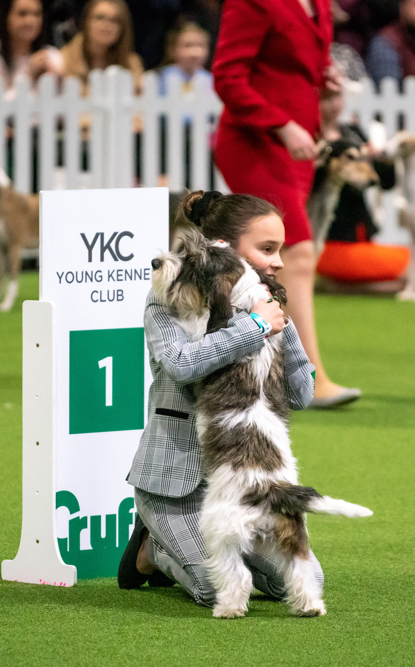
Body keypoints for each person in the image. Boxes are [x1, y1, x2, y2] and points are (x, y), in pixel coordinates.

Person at [118, 190, 321, 608]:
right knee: (213, 589)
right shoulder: (166, 301)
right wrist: (254, 328)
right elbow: (182, 365)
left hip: (246, 486)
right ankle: (153, 549)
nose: (279, 261)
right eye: (267, 249)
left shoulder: (265, 307)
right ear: (224, 248)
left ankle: (228, 550)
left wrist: (283, 327)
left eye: (279, 249)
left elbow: (301, 396)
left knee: (298, 581)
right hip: (178, 487)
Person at [213, 0, 361, 408]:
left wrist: (323, 89)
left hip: (297, 146)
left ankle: (262, 371)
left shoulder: (321, 7)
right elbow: (227, 78)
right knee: (295, 251)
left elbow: (297, 70)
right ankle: (308, 378)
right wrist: (281, 122)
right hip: (256, 142)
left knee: (270, 259)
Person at [316, 85, 415, 293]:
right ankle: (342, 285)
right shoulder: (313, 141)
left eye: (337, 96)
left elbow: (386, 183)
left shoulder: (352, 132)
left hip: (363, 241)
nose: (334, 104)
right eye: (326, 98)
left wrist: (379, 160)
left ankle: (341, 285)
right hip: (333, 243)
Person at [0, 0, 64, 95]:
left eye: (36, 14)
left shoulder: (52, 55)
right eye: (22, 14)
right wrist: (29, 76)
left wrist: (60, 80)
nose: (30, 21)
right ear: (6, 16)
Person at [60, 0, 144, 95]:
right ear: (86, 21)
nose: (107, 25)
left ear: (123, 28)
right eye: (100, 18)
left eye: (114, 20)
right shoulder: (64, 59)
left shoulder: (132, 63)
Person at [157, 19, 211, 96]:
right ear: (172, 49)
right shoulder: (156, 80)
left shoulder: (213, 83)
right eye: (188, 45)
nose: (194, 53)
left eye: (200, 45)